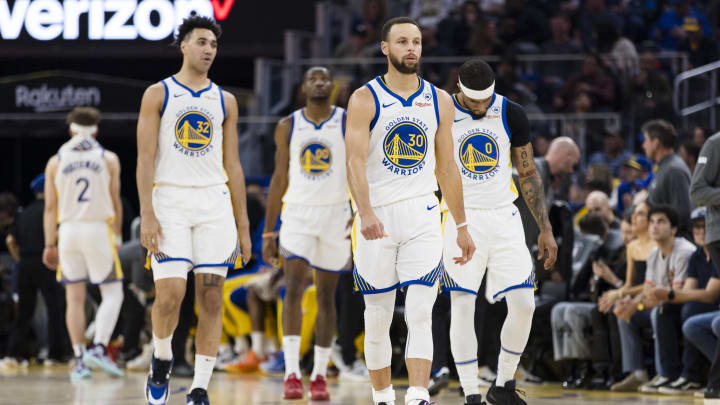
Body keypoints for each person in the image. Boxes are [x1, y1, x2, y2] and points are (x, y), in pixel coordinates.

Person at [345, 16, 475, 405]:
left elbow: (448, 167)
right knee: (379, 314)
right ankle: (382, 395)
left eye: (416, 41)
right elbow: (353, 162)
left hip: (422, 213)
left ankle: (418, 394)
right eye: (402, 41)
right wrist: (365, 211)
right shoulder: (364, 98)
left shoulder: (440, 100)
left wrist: (462, 224)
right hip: (377, 216)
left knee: (421, 310)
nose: (411, 48)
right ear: (385, 48)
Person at [136, 15, 252, 405]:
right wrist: (147, 214)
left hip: (213, 204)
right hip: (169, 201)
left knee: (212, 297)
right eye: (201, 42)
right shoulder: (158, 93)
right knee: (169, 295)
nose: (208, 50)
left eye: (213, 45)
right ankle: (162, 357)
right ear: (183, 45)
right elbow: (145, 158)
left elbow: (233, 165)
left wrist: (244, 227)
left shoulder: (226, 100)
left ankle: (200, 387)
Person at [439, 58, 557, 405]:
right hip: (460, 218)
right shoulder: (440, 112)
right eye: (474, 100)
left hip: (505, 217)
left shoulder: (511, 112)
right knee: (463, 304)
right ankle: (470, 392)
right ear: (459, 89)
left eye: (485, 98)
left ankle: (502, 385)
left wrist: (544, 228)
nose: (481, 106)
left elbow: (528, 173)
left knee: (524, 304)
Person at [261, 66, 351, 400]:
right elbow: (278, 179)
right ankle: (292, 374)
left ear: (333, 86)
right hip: (297, 215)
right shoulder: (288, 125)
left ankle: (319, 375)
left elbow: (359, 169)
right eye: (313, 78)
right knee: (292, 289)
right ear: (303, 87)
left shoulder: (346, 120)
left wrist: (358, 212)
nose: (319, 82)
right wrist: (269, 233)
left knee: (327, 297)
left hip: (336, 215)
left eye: (325, 78)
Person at [41, 106, 125, 381]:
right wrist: (118, 235)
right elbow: (116, 202)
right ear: (96, 129)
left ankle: (79, 360)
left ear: (70, 130)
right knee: (113, 293)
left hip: (67, 232)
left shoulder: (56, 160)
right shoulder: (108, 158)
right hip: (97, 228)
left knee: (73, 298)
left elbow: (50, 208)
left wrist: (49, 243)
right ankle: (99, 346)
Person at [611, 205, 696, 392]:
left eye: (661, 222)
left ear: (673, 229)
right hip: (662, 302)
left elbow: (678, 294)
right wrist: (632, 304)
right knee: (626, 316)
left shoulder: (684, 252)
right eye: (652, 222)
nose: (654, 226)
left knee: (659, 311)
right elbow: (648, 290)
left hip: (683, 304)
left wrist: (643, 302)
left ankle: (666, 373)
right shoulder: (654, 253)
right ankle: (638, 372)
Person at [4, 174, 69, 367]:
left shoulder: (23, 213)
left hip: (25, 263)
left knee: (24, 312)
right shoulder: (53, 212)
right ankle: (55, 355)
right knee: (55, 308)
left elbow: (9, 240)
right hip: (46, 262)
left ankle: (12, 355)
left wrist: (20, 259)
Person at [642, 119, 693, 236]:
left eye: (645, 140)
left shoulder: (674, 169)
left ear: (656, 143)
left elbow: (682, 213)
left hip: (676, 243)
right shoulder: (664, 167)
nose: (643, 145)